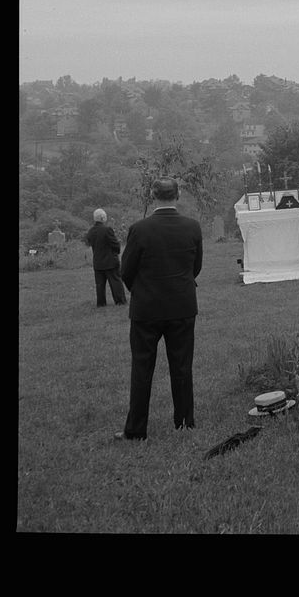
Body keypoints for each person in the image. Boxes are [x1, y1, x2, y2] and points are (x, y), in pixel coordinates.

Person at [115, 176, 203, 441]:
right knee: (182, 366)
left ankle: (136, 429)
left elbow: (126, 271)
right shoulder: (193, 227)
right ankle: (185, 422)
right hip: (182, 305)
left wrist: (141, 291)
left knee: (142, 368)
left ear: (153, 196)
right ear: (178, 195)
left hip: (147, 308)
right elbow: (195, 267)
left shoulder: (139, 229)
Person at [85, 208, 126, 307]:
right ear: (103, 218)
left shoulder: (90, 231)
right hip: (110, 261)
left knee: (100, 284)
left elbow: (89, 243)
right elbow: (115, 245)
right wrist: (117, 251)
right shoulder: (107, 230)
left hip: (98, 262)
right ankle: (120, 301)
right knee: (115, 282)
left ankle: (101, 303)